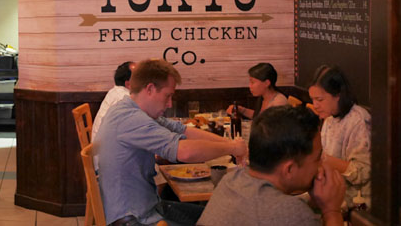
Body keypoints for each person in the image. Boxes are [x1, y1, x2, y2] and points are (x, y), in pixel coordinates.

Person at [96, 59, 248, 226]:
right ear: (150, 89)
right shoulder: (131, 119)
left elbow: (183, 130)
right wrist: (232, 147)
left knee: (220, 217)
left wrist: (234, 146)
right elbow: (184, 152)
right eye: (168, 96)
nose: (169, 104)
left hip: (149, 207)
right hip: (134, 218)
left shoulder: (130, 109)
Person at [198, 106, 347, 226]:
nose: (321, 166)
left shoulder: (230, 180)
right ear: (289, 169)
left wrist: (315, 203)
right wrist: (332, 210)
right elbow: (278, 213)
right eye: (317, 159)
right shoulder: (291, 213)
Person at [308, 65, 371, 209]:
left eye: (319, 99)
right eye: (312, 99)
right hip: (332, 192)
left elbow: (362, 173)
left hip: (355, 201)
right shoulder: (329, 118)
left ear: (337, 95)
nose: (315, 105)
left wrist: (322, 158)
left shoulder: (359, 120)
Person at [92, 61, 135, 143]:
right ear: (128, 84)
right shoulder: (124, 98)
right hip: (104, 151)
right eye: (139, 76)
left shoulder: (115, 91)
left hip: (101, 146)